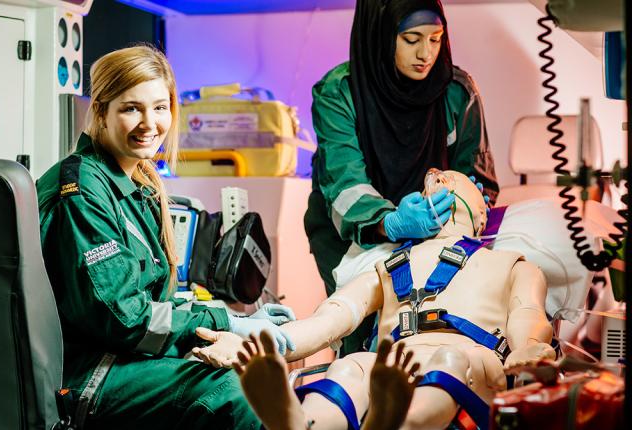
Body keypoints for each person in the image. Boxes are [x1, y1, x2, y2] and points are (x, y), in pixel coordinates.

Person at [36, 45, 294, 429]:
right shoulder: (82, 190)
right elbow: (123, 318)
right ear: (102, 110)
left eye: (160, 107)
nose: (149, 123)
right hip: (90, 373)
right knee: (235, 391)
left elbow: (159, 300)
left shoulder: (135, 183)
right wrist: (225, 322)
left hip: (126, 358)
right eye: (131, 108)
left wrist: (233, 323)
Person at [194, 171, 555, 430]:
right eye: (432, 180)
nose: (435, 177)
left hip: (470, 356)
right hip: (391, 362)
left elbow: (528, 312)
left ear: (481, 216)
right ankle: (302, 422)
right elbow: (330, 319)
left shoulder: (510, 262)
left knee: (449, 361)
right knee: (350, 367)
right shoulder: (387, 266)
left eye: (450, 178)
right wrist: (265, 344)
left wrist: (529, 346)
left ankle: (399, 421)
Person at [304, 0, 499, 355]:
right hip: (352, 238)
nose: (426, 54)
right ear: (381, 35)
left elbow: (475, 175)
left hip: (436, 236)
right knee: (361, 339)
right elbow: (344, 185)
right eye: (412, 39)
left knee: (436, 334)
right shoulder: (339, 93)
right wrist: (390, 223)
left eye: (436, 39)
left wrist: (470, 202)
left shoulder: (457, 93)